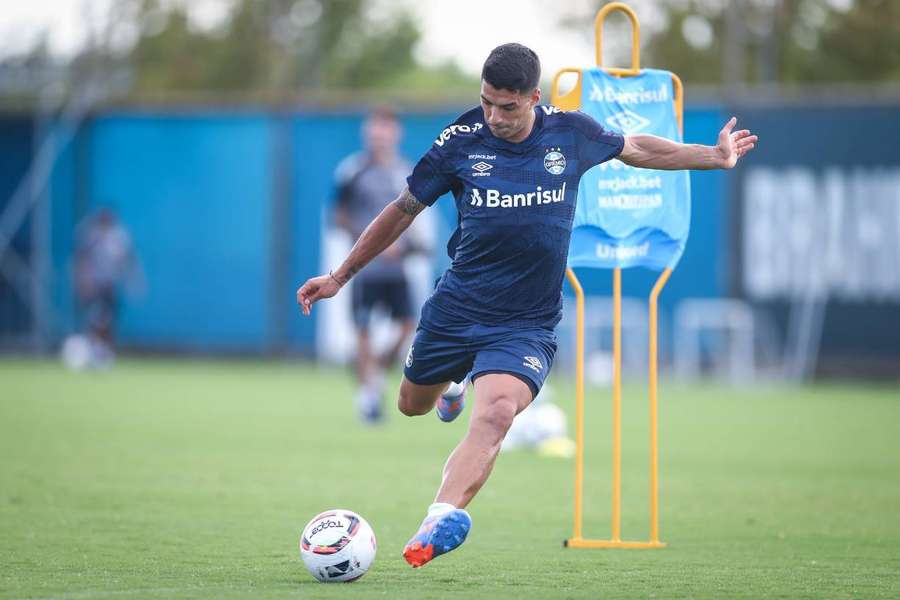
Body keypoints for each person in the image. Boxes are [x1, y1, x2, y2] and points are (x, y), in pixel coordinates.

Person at [297, 43, 757, 568]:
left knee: (495, 413)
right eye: (487, 102)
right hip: (458, 309)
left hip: (525, 323)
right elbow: (402, 210)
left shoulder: (571, 133)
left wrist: (714, 156)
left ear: (534, 98)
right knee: (410, 404)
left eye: (508, 106)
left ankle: (438, 518)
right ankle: (451, 384)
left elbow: (640, 149)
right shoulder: (458, 142)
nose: (495, 116)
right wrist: (338, 276)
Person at [332, 109, 417, 423]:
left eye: (385, 130)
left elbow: (414, 217)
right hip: (366, 270)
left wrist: (405, 246)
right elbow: (338, 215)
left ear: (396, 133)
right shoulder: (353, 170)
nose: (379, 136)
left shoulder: (407, 172)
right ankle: (368, 397)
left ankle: (374, 375)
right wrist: (370, 243)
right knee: (364, 332)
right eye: (374, 130)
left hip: (397, 271)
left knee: (408, 326)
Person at [71, 208, 141, 367]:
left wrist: (132, 280)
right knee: (95, 319)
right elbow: (82, 259)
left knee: (109, 321)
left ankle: (106, 353)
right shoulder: (91, 236)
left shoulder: (119, 237)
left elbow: (127, 259)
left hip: (110, 287)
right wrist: (83, 281)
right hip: (96, 286)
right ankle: (92, 350)